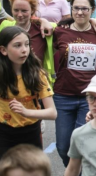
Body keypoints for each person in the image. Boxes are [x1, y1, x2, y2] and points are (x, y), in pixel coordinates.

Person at [52, 0, 96, 176]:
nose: (80, 12)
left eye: (85, 8)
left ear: (92, 10)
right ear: (71, 9)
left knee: (81, 144)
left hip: (89, 97)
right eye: (76, 8)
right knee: (62, 146)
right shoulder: (60, 31)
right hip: (63, 95)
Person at [0, 26, 57, 158]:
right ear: (3, 50)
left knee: (31, 175)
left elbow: (52, 113)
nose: (24, 50)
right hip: (3, 134)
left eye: (27, 44)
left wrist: (26, 112)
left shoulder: (37, 74)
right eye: (17, 45)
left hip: (30, 132)